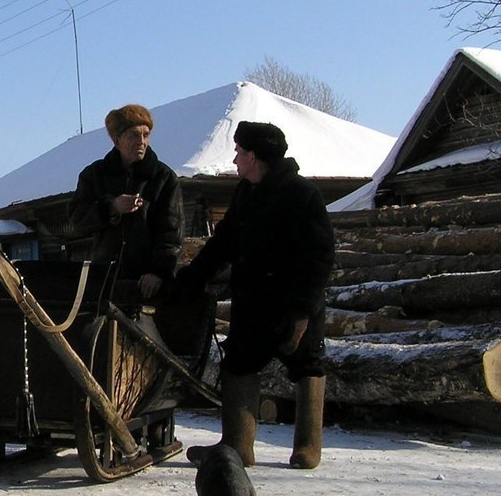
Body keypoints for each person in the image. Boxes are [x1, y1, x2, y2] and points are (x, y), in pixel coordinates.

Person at [174, 121, 334, 469]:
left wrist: (303, 311)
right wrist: (190, 278)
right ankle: (237, 445)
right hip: (253, 303)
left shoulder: (302, 194)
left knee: (306, 365)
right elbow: (223, 244)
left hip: (293, 304)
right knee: (239, 365)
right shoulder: (246, 192)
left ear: (253, 156)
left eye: (238, 152)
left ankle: (308, 447)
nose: (234, 158)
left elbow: (319, 258)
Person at [70, 104, 183, 299]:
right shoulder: (95, 175)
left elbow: (171, 233)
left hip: (147, 285)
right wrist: (111, 208)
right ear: (117, 141)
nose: (141, 141)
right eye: (133, 135)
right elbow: (77, 220)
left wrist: (158, 271)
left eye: (145, 135)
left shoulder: (163, 178)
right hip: (104, 282)